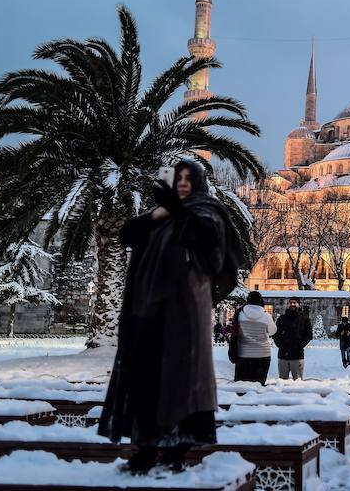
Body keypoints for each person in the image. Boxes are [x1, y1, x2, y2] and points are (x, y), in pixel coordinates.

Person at [98, 160, 246, 474]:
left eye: (188, 178)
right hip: (149, 310)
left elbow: (206, 237)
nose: (182, 183)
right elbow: (127, 233)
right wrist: (160, 212)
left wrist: (177, 211)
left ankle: (177, 450)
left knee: (182, 378)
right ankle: (147, 448)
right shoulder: (163, 215)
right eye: (178, 178)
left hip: (184, 311)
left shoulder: (208, 210)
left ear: (199, 182)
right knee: (147, 376)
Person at [231, 291, 276, 385]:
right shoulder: (266, 316)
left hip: (244, 355)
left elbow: (235, 332)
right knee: (259, 385)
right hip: (262, 355)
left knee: (242, 386)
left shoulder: (240, 315)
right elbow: (273, 331)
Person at [273, 297, 313, 380]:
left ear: (299, 304)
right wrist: (280, 344)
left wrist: (301, 344)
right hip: (283, 355)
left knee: (298, 382)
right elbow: (275, 333)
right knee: (282, 382)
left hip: (297, 355)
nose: (292, 304)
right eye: (290, 303)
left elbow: (309, 335)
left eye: (294, 303)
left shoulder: (304, 319)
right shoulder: (281, 319)